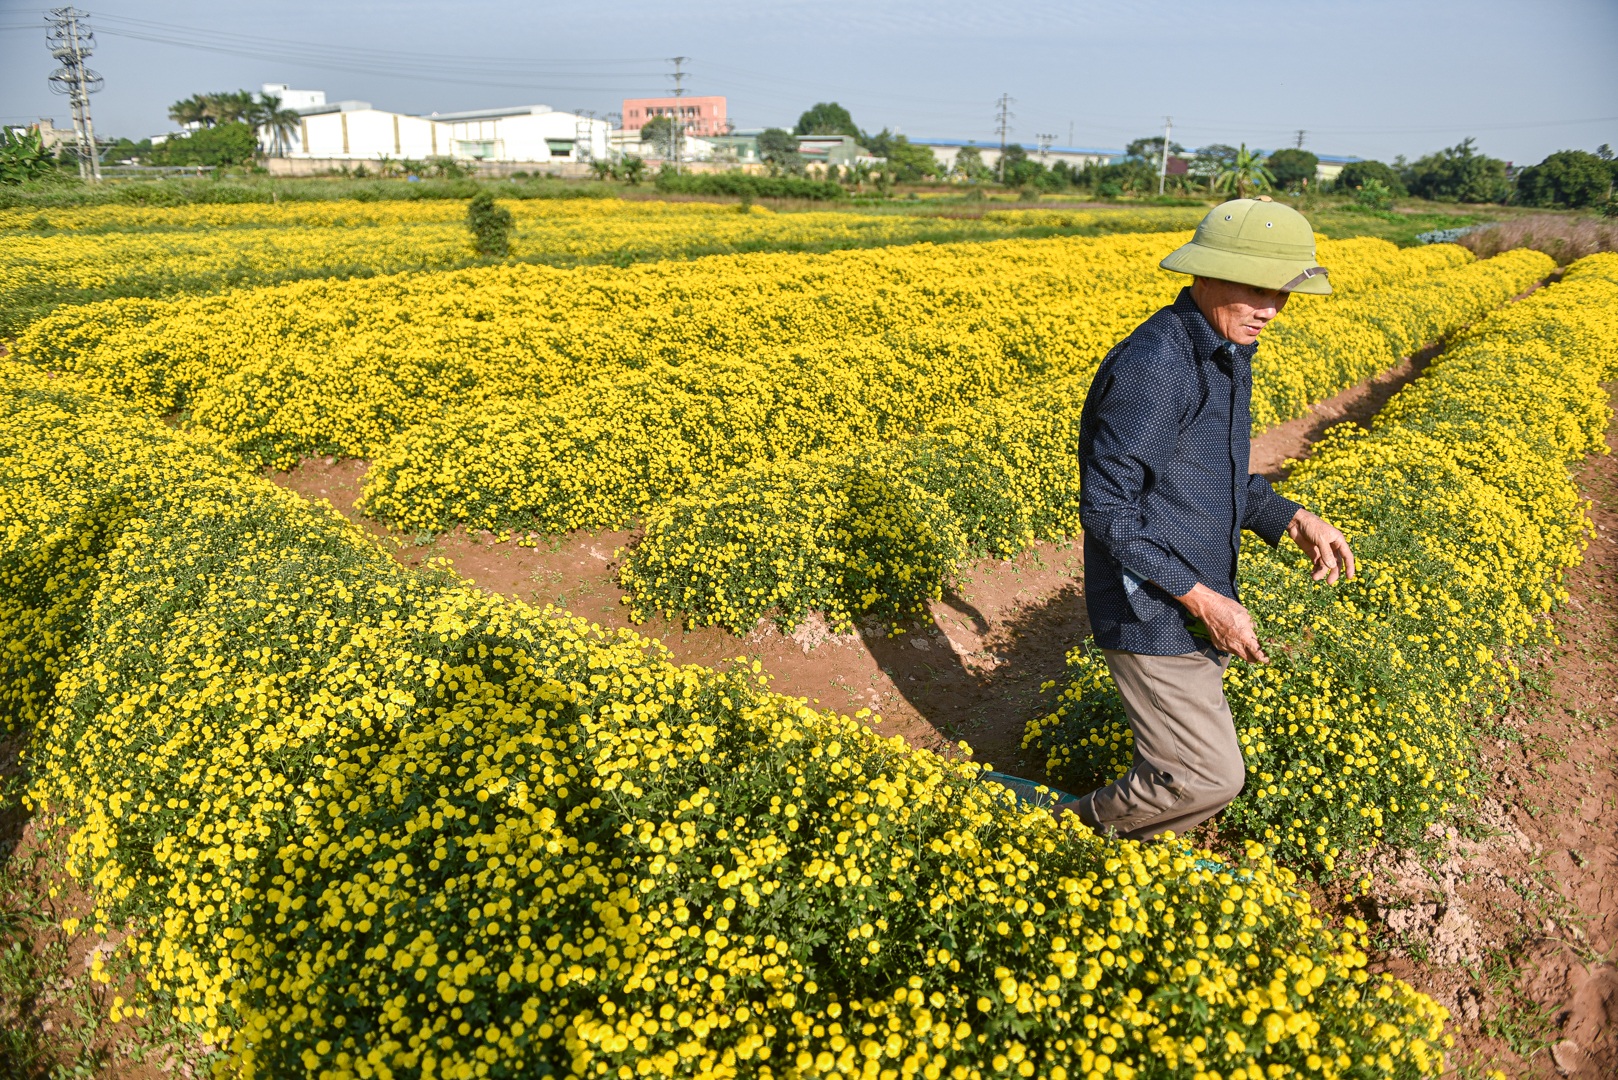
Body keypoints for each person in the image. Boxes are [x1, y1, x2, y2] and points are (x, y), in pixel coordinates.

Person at [1063, 197, 1356, 841]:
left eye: (1282, 294)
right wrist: (1207, 602)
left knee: (1183, 771)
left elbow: (1207, 478)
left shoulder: (1220, 351)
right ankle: (1057, 837)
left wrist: (1291, 517)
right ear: (1204, 274)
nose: (1270, 310)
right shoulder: (1159, 367)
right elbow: (1106, 508)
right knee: (1205, 776)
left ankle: (1124, 857)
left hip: (1191, 591)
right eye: (1256, 290)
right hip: (1152, 605)